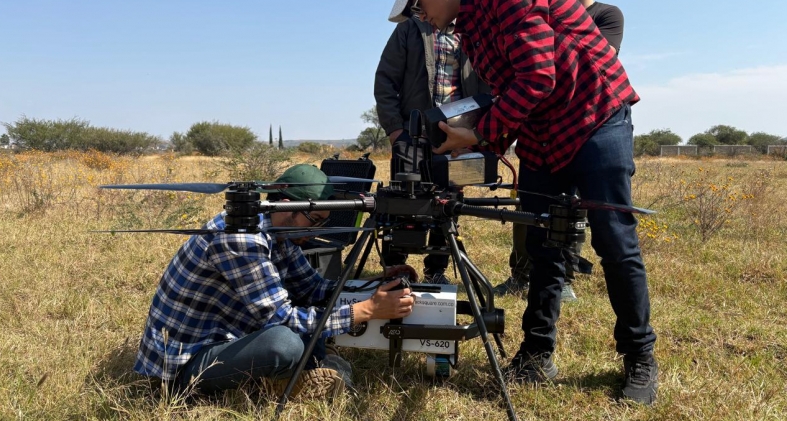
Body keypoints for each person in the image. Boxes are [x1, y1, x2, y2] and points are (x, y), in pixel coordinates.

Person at [387, 0, 658, 405]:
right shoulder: (470, 28)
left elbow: (536, 77)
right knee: (542, 244)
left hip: (594, 115)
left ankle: (639, 356)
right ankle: (536, 353)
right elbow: (505, 91)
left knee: (615, 242)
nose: (418, 16)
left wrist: (479, 136)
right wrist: (475, 133)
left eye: (417, 6)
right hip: (542, 129)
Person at [133, 164, 417, 400]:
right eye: (315, 219)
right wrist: (366, 310)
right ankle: (286, 381)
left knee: (307, 328)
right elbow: (284, 320)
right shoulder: (241, 239)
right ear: (285, 205)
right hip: (183, 366)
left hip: (226, 336)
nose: (319, 230)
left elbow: (313, 290)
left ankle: (305, 369)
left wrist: (374, 285)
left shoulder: (281, 231)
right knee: (286, 344)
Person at [495, 0, 626, 301]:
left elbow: (581, 61)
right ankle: (520, 273)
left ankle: (565, 276)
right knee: (529, 210)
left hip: (583, 127)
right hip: (538, 126)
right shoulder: (545, 9)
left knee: (572, 207)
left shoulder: (607, 15)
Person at [375, 6, 490, 284]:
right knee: (402, 201)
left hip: (455, 138)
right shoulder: (408, 30)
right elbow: (385, 80)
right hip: (411, 135)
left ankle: (435, 270)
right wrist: (395, 130)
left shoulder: (472, 34)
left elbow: (487, 86)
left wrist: (475, 134)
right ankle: (394, 269)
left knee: (447, 203)